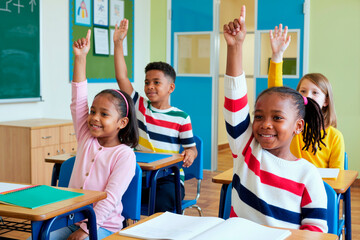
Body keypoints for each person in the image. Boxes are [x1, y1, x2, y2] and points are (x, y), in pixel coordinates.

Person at [223, 6, 327, 232]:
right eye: (258, 116)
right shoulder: (247, 149)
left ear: (298, 126)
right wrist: (235, 47)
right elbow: (234, 100)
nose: (265, 124)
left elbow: (315, 232)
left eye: (277, 117)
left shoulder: (307, 175)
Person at [51, 29, 139, 240]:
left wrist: (86, 230)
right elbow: (78, 99)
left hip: (103, 226)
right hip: (69, 219)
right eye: (92, 111)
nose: (94, 118)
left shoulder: (124, 155)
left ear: (122, 122)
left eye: (104, 114)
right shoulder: (86, 137)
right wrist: (80, 58)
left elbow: (110, 199)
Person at [113, 19, 198, 212]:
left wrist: (190, 155)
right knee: (113, 197)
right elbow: (121, 78)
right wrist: (118, 44)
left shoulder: (181, 117)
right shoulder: (139, 105)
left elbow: (191, 148)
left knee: (163, 204)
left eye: (156, 82)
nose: (150, 86)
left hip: (168, 178)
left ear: (171, 88)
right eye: (147, 81)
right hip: (138, 175)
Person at [268, 24, 345, 169]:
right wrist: (277, 56)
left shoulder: (335, 137)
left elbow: (337, 179)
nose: (308, 96)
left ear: (326, 101)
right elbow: (276, 95)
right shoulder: (292, 127)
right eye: (303, 91)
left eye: (315, 92)